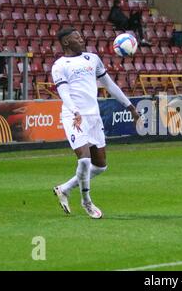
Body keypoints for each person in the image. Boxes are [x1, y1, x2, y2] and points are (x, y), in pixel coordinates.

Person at [51, 27, 140, 219]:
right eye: (77, 37)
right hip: (73, 117)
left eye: (81, 36)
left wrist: (130, 106)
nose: (82, 39)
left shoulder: (92, 59)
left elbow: (109, 84)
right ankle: (87, 201)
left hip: (93, 116)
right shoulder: (60, 65)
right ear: (66, 42)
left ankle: (64, 189)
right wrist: (75, 111)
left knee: (100, 166)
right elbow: (63, 92)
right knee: (84, 160)